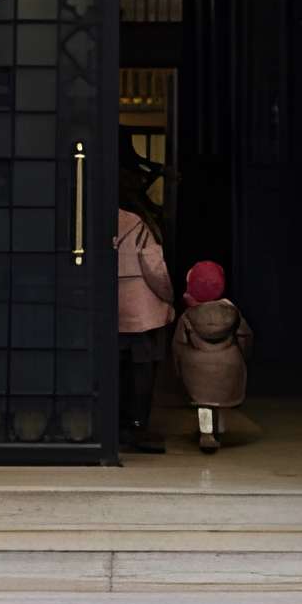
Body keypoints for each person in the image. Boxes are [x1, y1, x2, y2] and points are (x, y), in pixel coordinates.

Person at [115, 183, 173, 455]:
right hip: (142, 310)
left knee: (116, 368)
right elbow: (155, 269)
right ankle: (137, 424)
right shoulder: (138, 224)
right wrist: (169, 296)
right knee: (142, 370)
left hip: (112, 308)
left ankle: (114, 423)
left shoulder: (97, 220)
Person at [172, 258, 252, 454]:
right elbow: (245, 337)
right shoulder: (233, 313)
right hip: (228, 365)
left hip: (196, 369)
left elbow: (178, 345)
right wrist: (243, 358)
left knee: (204, 403)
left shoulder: (187, 317)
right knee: (220, 400)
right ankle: (221, 428)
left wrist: (177, 368)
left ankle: (206, 432)